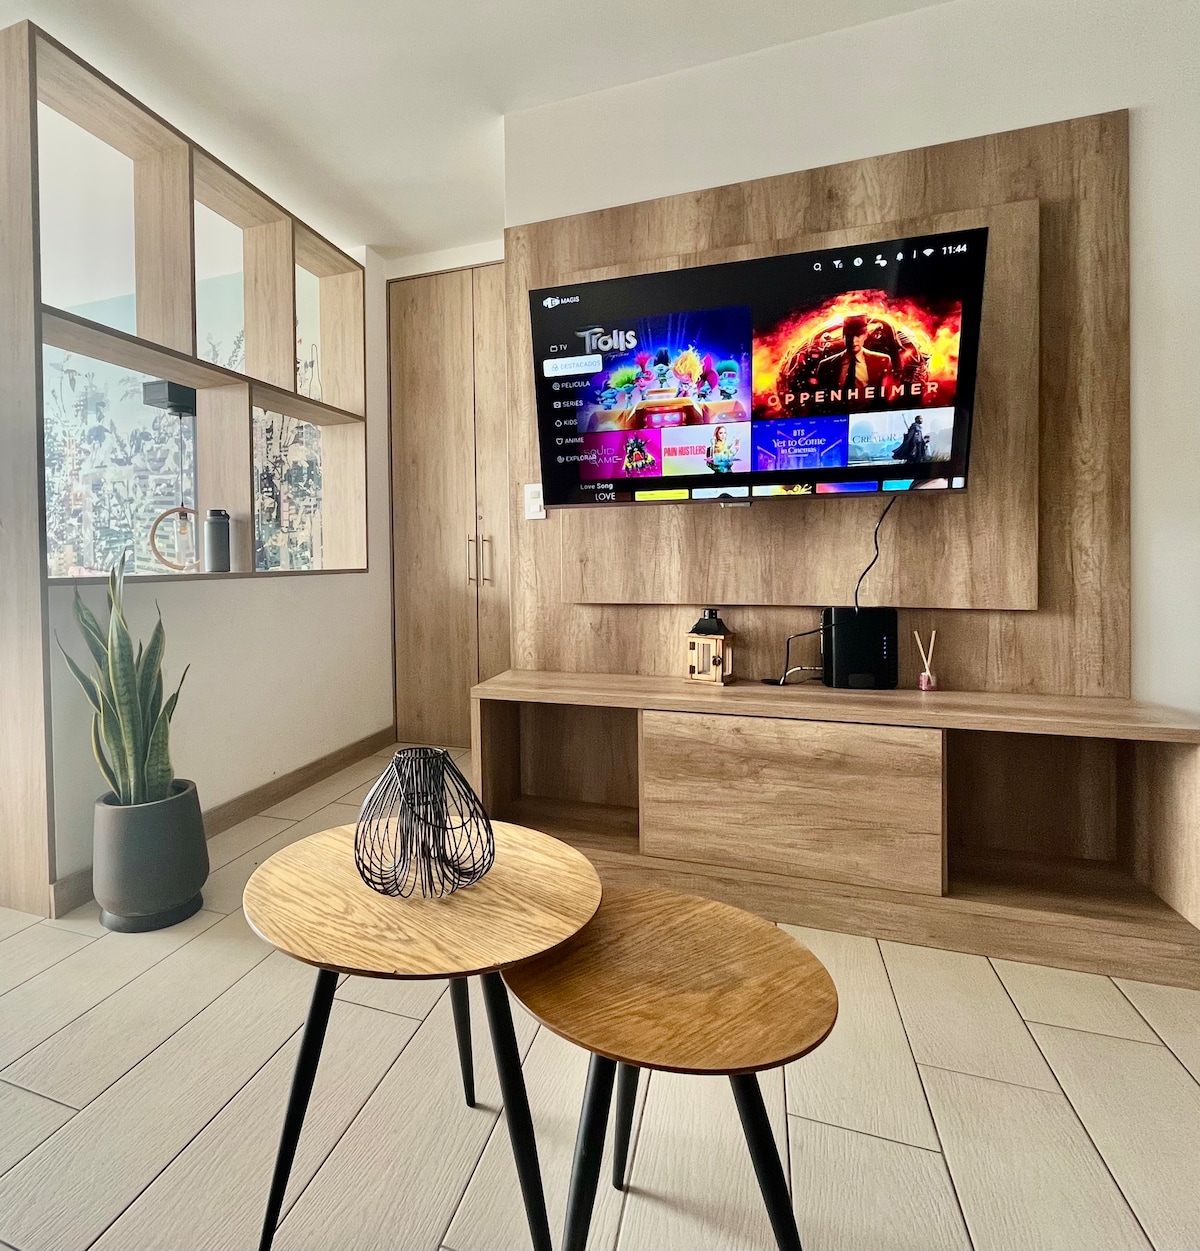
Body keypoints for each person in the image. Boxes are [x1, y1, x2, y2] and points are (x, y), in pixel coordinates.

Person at [814, 315, 893, 397]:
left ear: (865, 335)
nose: (853, 341)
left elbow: (887, 396)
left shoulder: (882, 361)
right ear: (843, 337)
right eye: (849, 336)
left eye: (858, 335)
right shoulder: (826, 366)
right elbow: (820, 399)